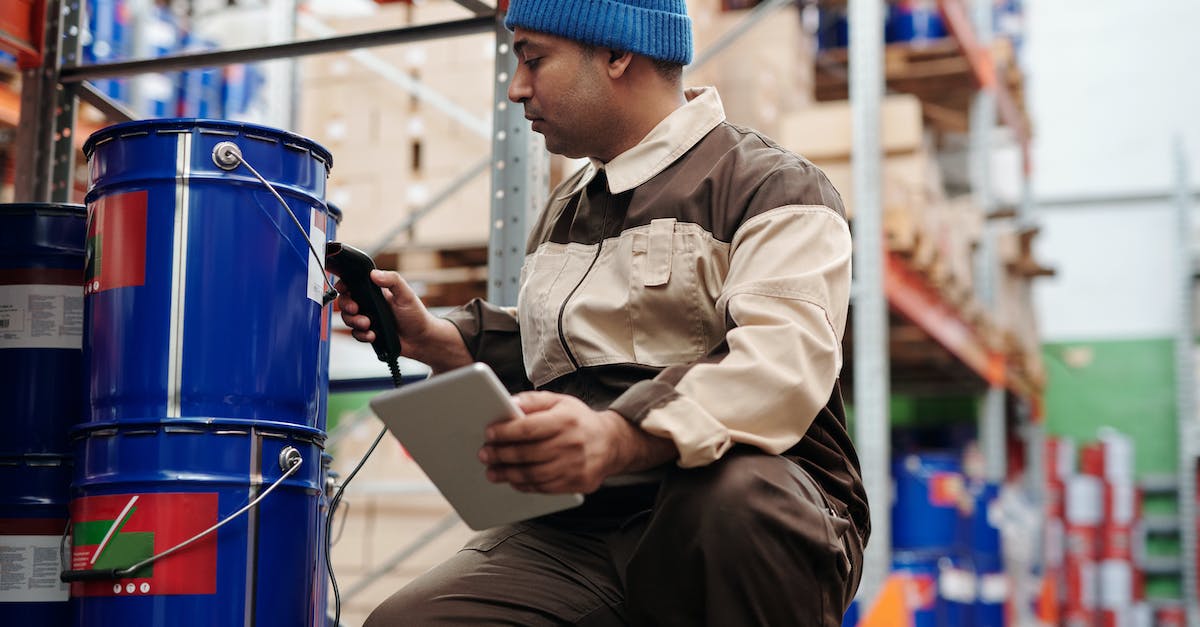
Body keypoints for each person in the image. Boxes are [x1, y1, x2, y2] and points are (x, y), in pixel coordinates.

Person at [341, 1, 869, 624]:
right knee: (409, 621)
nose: (516, 89)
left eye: (534, 60)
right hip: (587, 526)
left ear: (619, 54)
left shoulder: (774, 189)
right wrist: (433, 337)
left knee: (734, 500)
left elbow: (778, 366)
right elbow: (568, 352)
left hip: (742, 514)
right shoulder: (566, 208)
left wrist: (617, 435)